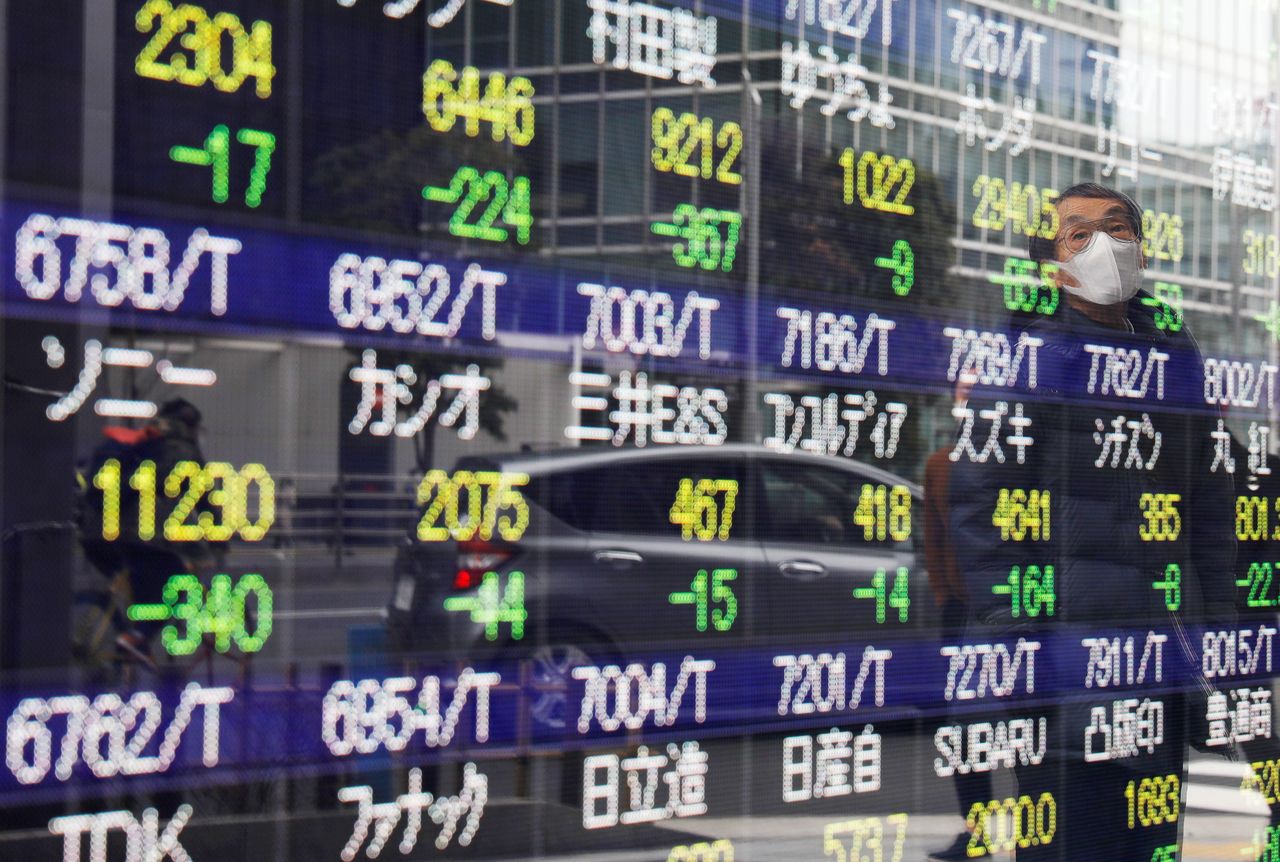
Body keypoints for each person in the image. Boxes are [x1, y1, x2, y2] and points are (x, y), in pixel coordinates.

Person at [946, 183, 1237, 860]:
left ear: (1143, 248)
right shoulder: (1026, 359)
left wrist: (1218, 634)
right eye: (1079, 234)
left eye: (1118, 228)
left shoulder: (1175, 359)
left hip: (1161, 668)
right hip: (1065, 675)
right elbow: (982, 512)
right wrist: (1019, 643)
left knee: (1151, 842)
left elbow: (1211, 512)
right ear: (1053, 265)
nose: (1105, 244)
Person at [79, 398, 214, 665]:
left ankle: (126, 647)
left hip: (106, 531)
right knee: (177, 584)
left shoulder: (142, 444)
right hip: (144, 535)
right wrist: (219, 534)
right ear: (191, 426)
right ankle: (136, 639)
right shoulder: (183, 450)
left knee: (144, 589)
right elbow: (205, 499)